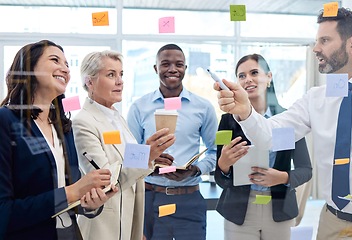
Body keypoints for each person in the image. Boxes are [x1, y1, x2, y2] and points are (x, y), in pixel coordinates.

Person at [215, 7, 352, 240]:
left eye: (324, 40)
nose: (315, 49)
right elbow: (269, 137)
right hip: (331, 222)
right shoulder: (316, 98)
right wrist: (245, 112)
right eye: (316, 41)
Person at [0, 40, 118, 240]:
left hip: (70, 233)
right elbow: (5, 211)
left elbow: (71, 196)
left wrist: (89, 203)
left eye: (66, 65)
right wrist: (73, 192)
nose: (64, 69)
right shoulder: (6, 121)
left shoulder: (64, 128)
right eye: (55, 60)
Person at [72, 50, 175, 240]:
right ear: (89, 82)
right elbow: (105, 178)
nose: (120, 81)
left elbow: (126, 162)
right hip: (103, 226)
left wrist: (150, 156)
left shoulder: (117, 117)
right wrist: (146, 155)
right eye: (111, 75)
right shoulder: (83, 122)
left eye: (121, 74)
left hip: (128, 220)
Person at [215, 54, 312, 240]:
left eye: (254, 72)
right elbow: (220, 178)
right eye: (241, 76)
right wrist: (224, 164)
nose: (248, 79)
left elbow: (306, 170)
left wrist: (282, 177)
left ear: (269, 77)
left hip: (279, 209)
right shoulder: (228, 121)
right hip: (239, 211)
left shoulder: (288, 119)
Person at [127, 43, 217, 240]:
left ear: (185, 68)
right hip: (152, 198)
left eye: (179, 64)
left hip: (190, 199)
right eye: (165, 64)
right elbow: (130, 155)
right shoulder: (139, 107)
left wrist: (196, 169)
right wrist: (150, 165)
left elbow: (215, 151)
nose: (172, 69)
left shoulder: (204, 107)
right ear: (156, 68)